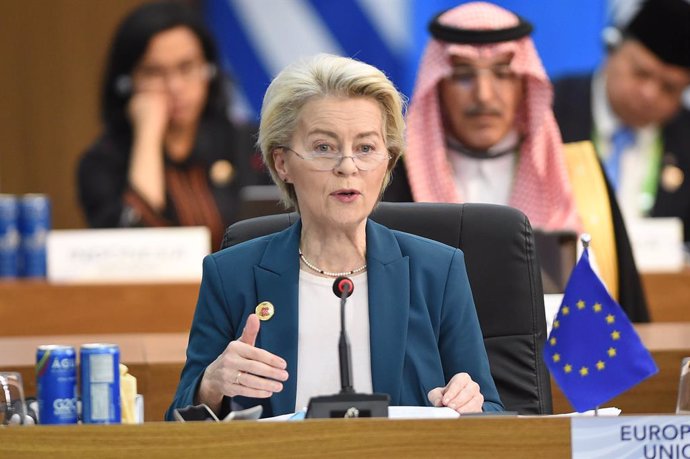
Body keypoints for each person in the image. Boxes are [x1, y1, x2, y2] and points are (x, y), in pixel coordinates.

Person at [166, 54, 503, 420]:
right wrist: (211, 386)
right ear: (282, 163)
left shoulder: (437, 271)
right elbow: (178, 424)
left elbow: (492, 414)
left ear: (388, 162)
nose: (347, 166)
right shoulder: (231, 274)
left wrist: (470, 404)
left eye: (366, 148)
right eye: (324, 147)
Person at [383, 2, 649, 322]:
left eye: (503, 74)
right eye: (463, 75)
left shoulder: (578, 175)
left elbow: (628, 315)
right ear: (437, 85)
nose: (484, 95)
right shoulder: (396, 180)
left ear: (525, 83)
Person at [77, 1, 263, 249]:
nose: (175, 86)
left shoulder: (251, 144)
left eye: (186, 68)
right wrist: (147, 135)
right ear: (126, 83)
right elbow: (128, 250)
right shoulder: (101, 163)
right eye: (154, 72)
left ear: (208, 72)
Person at [553, 0, 690, 240]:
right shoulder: (552, 110)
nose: (650, 94)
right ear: (612, 50)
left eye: (669, 88)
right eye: (641, 73)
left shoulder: (686, 137)